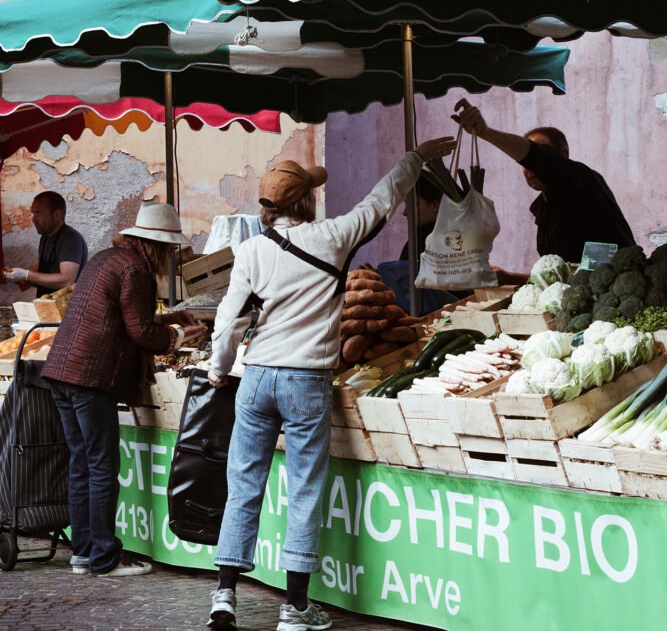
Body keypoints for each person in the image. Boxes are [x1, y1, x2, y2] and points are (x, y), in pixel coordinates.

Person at [204, 136, 456, 631]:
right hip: (306, 380)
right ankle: (294, 609)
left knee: (243, 485)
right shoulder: (334, 236)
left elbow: (229, 316)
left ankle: (224, 597)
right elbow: (381, 200)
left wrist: (218, 366)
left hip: (256, 378)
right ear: (306, 201)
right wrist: (416, 158)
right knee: (303, 490)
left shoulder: (251, 249)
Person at [42, 202, 206, 576]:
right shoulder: (137, 270)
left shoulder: (107, 258)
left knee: (81, 464)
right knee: (101, 467)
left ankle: (82, 553)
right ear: (158, 246)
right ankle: (104, 558)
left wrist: (168, 318)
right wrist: (177, 334)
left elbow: (123, 315)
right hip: (90, 377)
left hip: (61, 371)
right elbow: (140, 332)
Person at [452, 99, 636, 263]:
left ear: (563, 156)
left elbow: (539, 158)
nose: (530, 168)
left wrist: (485, 132)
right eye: (525, 164)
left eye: (536, 158)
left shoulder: (582, 179)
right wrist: (510, 278)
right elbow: (563, 272)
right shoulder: (543, 207)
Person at [4, 191, 89, 296]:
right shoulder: (45, 236)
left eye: (38, 213)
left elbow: (67, 280)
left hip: (67, 309)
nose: (33, 220)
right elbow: (38, 273)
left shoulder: (70, 239)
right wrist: (16, 277)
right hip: (46, 306)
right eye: (33, 213)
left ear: (57, 215)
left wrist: (26, 275)